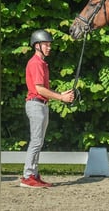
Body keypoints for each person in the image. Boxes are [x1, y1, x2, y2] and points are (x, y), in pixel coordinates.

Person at [20, 29, 75, 188]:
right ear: (37, 45)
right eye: (46, 44)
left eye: (50, 44)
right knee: (36, 142)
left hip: (41, 104)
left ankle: (34, 175)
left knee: (38, 141)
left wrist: (61, 93)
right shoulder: (36, 63)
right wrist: (61, 97)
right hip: (36, 104)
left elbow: (43, 89)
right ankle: (28, 176)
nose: (49, 47)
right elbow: (39, 89)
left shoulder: (42, 63)